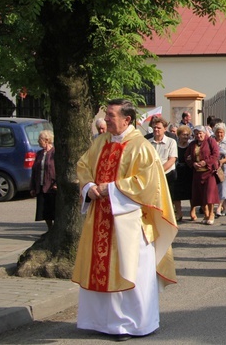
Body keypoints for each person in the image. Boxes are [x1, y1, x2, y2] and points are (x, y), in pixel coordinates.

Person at [73, 99, 177, 340]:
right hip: (100, 217)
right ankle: (100, 322)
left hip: (130, 222)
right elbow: (83, 165)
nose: (106, 119)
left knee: (129, 270)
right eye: (106, 115)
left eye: (111, 115)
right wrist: (88, 186)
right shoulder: (100, 142)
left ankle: (132, 324)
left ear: (127, 120)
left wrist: (109, 189)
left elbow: (146, 183)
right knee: (100, 267)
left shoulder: (141, 147)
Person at [186, 125, 220, 225]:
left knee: (209, 194)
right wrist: (193, 163)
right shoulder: (192, 144)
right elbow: (187, 157)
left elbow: (215, 154)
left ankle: (211, 214)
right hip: (197, 173)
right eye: (196, 134)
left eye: (200, 133)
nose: (199, 135)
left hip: (209, 172)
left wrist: (205, 162)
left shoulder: (210, 141)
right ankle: (205, 214)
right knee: (201, 195)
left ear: (204, 133)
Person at [149, 116, 179, 220]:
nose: (156, 130)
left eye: (158, 128)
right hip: (152, 175)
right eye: (154, 128)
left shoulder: (171, 142)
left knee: (168, 199)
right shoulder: (148, 143)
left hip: (168, 174)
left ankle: (168, 218)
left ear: (165, 129)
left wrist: (160, 170)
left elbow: (172, 159)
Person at [30, 130, 56, 230]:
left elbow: (59, 170)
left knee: (53, 210)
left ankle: (55, 229)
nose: (38, 141)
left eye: (39, 139)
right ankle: (50, 229)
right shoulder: (39, 153)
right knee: (43, 211)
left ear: (46, 140)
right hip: (40, 186)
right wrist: (32, 187)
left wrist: (56, 183)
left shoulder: (54, 153)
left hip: (51, 187)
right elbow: (34, 170)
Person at [173, 125, 194, 221]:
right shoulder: (174, 145)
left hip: (189, 170)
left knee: (191, 192)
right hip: (177, 171)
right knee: (177, 193)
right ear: (179, 135)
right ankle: (179, 212)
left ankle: (192, 211)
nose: (185, 137)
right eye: (183, 135)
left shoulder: (191, 146)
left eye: (187, 135)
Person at [213, 122, 226, 217]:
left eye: (221, 132)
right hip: (215, 168)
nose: (219, 134)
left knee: (225, 187)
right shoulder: (211, 140)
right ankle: (224, 208)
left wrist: (223, 161)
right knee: (218, 188)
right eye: (217, 132)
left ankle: (219, 207)